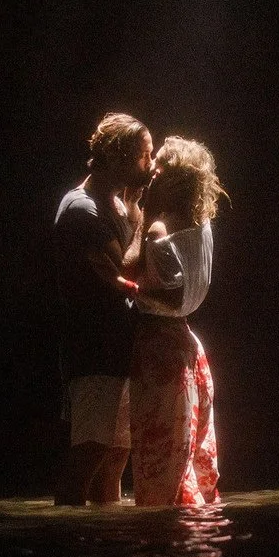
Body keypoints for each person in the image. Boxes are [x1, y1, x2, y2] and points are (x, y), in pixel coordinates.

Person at [52, 113, 152, 505]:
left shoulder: (113, 203)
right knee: (89, 455)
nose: (151, 164)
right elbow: (125, 272)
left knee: (114, 458)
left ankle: (104, 543)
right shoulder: (82, 209)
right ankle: (69, 539)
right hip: (93, 349)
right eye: (144, 156)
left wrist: (135, 212)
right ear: (117, 158)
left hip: (115, 349)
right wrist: (145, 219)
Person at [129, 136, 223, 506]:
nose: (151, 169)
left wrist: (132, 289)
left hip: (160, 348)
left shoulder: (159, 227)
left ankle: (164, 549)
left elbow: (170, 292)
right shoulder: (202, 223)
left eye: (160, 164)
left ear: (172, 177)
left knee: (162, 458)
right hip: (187, 344)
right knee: (191, 455)